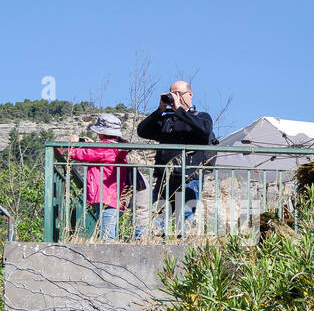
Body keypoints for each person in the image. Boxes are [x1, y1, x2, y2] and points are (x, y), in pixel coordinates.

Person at [137, 80, 217, 235]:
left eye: (178, 93)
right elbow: (142, 131)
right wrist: (160, 110)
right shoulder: (167, 119)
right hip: (165, 177)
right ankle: (157, 246)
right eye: (171, 93)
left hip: (189, 177)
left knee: (185, 220)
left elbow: (204, 130)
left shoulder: (201, 117)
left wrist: (180, 109)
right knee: (157, 218)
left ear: (190, 94)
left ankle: (182, 248)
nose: (174, 97)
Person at [66, 114, 130, 240]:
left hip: (103, 197)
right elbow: (98, 154)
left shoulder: (103, 148)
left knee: (107, 238)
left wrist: (71, 145)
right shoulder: (115, 147)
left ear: (102, 133)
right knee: (110, 233)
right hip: (114, 198)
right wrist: (94, 144)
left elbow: (81, 155)